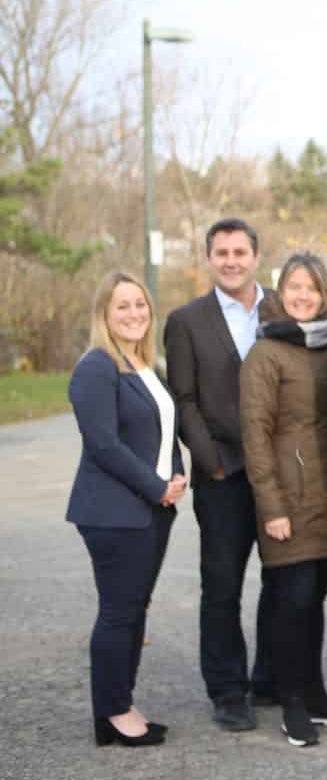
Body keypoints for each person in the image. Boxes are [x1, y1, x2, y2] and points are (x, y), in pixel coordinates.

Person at [239, 252, 327, 747]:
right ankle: (291, 701)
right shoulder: (265, 354)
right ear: (280, 292)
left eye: (311, 288)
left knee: (316, 598)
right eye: (294, 287)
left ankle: (314, 691)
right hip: (288, 501)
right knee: (294, 600)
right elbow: (255, 434)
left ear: (323, 294)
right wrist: (272, 508)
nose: (302, 295)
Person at [164, 217, 277, 731]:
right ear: (209, 259)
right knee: (222, 585)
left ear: (256, 255)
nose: (231, 260)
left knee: (284, 581)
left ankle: (272, 676)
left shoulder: (281, 307)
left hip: (281, 475)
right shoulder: (187, 320)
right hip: (224, 475)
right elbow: (183, 400)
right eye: (221, 253)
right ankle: (228, 689)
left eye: (240, 252)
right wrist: (211, 462)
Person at [67, 271, 187, 747]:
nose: (134, 313)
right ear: (104, 314)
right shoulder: (95, 367)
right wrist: (157, 487)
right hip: (115, 513)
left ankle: (121, 703)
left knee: (135, 610)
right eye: (122, 306)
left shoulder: (143, 365)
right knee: (119, 612)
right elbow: (104, 446)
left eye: (140, 304)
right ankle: (112, 712)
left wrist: (175, 475)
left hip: (152, 509)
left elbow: (162, 427)